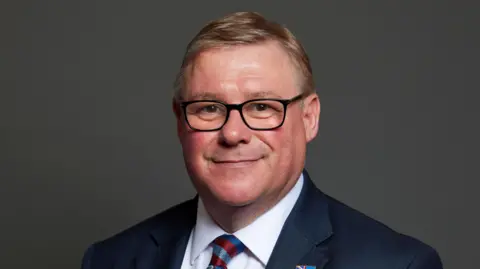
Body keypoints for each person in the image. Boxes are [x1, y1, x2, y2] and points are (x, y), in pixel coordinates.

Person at [81, 11, 443, 269]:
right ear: (180, 121)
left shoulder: (396, 263)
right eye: (209, 108)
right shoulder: (111, 260)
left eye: (260, 107)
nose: (233, 134)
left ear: (309, 117)